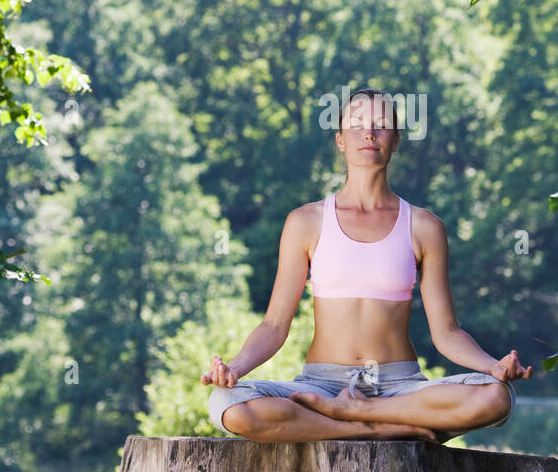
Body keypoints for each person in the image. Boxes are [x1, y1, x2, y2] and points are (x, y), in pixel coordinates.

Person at [202, 87, 532, 444]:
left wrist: (491, 367)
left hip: (399, 387)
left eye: (381, 124)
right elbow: (274, 325)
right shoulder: (306, 222)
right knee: (228, 404)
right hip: (321, 387)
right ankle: (377, 429)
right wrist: (235, 368)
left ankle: (362, 413)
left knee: (496, 397)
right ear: (341, 140)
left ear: (395, 141)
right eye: (357, 123)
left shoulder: (424, 226)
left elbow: (447, 333)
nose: (369, 132)